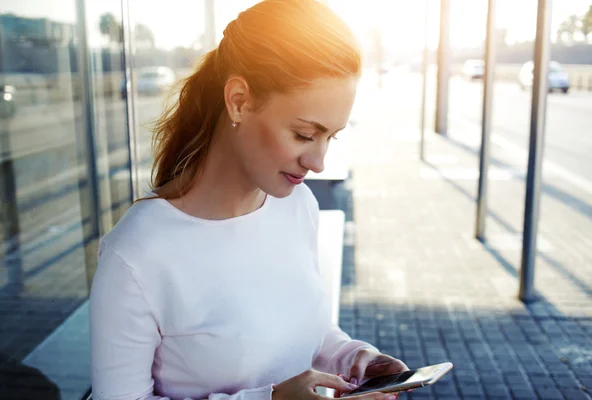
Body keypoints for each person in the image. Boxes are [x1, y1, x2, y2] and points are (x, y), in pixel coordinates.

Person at [89, 1, 408, 399]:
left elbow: (301, 329)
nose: (318, 161)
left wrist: (355, 358)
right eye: (305, 134)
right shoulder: (136, 255)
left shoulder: (298, 206)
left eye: (332, 136)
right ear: (239, 100)